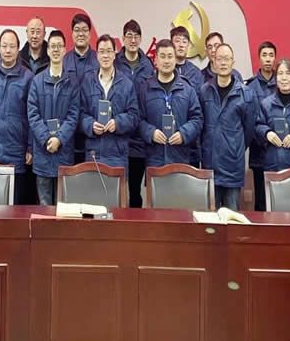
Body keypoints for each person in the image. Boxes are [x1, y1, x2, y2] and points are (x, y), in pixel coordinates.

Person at [0, 29, 36, 204]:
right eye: (4, 46)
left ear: (18, 49)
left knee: (15, 207)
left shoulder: (28, 78)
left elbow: (33, 116)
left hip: (17, 152)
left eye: (12, 46)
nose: (8, 50)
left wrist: (30, 147)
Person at [200, 43, 257, 211]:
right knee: (210, 217)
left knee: (231, 217)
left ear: (233, 62)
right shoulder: (204, 91)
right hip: (210, 163)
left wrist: (235, 146)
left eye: (227, 59)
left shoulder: (246, 94)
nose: (223, 63)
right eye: (219, 59)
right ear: (214, 62)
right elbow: (200, 125)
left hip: (232, 165)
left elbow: (249, 130)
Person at [27, 30, 80, 205]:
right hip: (43, 153)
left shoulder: (73, 83)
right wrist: (46, 139)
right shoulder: (37, 81)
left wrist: (59, 139)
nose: (56, 50)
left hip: (64, 152)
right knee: (44, 206)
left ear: (65, 50)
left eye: (59, 46)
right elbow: (33, 114)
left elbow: (73, 115)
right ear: (48, 50)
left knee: (63, 207)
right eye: (52, 46)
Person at [138, 39, 203, 168]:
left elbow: (197, 119)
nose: (166, 61)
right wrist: (151, 133)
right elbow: (138, 119)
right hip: (154, 161)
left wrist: (184, 134)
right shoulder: (145, 89)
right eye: (162, 56)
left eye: (170, 56)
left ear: (175, 59)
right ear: (156, 60)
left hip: (180, 159)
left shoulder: (187, 89)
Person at [79, 34, 139, 169]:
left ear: (115, 53)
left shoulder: (126, 84)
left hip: (117, 156)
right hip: (93, 154)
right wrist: (90, 125)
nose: (105, 56)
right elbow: (79, 114)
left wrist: (118, 123)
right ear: (97, 55)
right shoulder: (87, 82)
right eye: (101, 51)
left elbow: (134, 116)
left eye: (109, 51)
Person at [115, 19, 154, 207]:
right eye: (129, 36)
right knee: (117, 191)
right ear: (123, 38)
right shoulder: (115, 62)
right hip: (118, 135)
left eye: (136, 36)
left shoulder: (148, 65)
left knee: (135, 191)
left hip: (139, 139)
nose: (133, 40)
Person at [63, 13, 99, 163]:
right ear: (72, 34)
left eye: (84, 30)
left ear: (90, 34)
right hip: (68, 130)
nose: (81, 34)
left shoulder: (99, 60)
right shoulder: (64, 61)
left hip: (92, 129)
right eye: (77, 30)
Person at [246, 41, 277, 211]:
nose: (268, 59)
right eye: (264, 55)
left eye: (271, 55)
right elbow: (248, 120)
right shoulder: (250, 87)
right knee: (261, 203)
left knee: (279, 202)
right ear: (259, 58)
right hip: (258, 153)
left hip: (279, 151)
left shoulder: (282, 82)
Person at [169, 26, 203, 166]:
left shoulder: (196, 73)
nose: (181, 45)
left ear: (189, 45)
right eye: (177, 41)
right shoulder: (162, 71)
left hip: (190, 144)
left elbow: (199, 110)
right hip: (166, 141)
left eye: (184, 41)